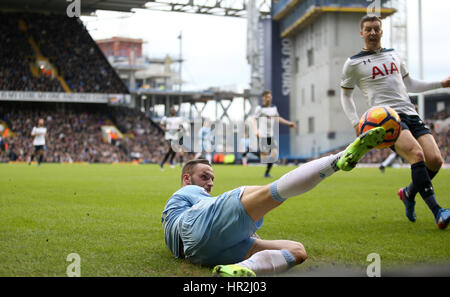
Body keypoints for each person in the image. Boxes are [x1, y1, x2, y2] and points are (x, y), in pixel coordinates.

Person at [161, 127, 386, 276]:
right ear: (187, 178)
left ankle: (239, 269)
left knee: (297, 251)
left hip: (202, 255)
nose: (209, 182)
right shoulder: (186, 193)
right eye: (204, 176)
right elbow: (196, 218)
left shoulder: (191, 208)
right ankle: (337, 160)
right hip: (194, 232)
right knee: (270, 192)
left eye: (211, 178)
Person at [340, 15, 450, 229]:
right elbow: (345, 95)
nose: (372, 33)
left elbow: (409, 84)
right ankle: (438, 211)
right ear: (361, 33)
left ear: (382, 32)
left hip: (410, 113)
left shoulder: (393, 55)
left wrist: (441, 82)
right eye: (368, 29)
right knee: (417, 155)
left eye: (376, 29)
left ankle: (408, 193)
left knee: (435, 161)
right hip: (385, 119)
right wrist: (355, 121)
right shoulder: (353, 63)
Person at [250, 90, 297, 178]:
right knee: (263, 157)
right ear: (263, 98)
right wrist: (256, 130)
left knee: (274, 154)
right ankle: (252, 150)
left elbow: (277, 119)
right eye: (267, 97)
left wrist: (289, 123)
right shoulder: (260, 108)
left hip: (270, 135)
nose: (269, 99)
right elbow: (253, 119)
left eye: (270, 97)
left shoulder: (273, 108)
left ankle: (266, 173)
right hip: (262, 134)